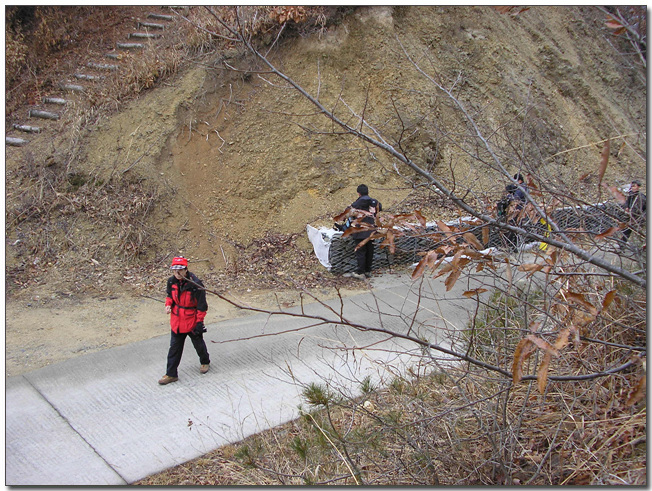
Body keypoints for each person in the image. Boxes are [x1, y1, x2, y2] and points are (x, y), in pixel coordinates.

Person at [158, 256, 210, 385]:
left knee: (199, 345)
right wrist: (168, 304)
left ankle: (205, 361)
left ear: (186, 269)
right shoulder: (171, 282)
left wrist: (199, 323)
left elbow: (202, 306)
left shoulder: (196, 284)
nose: (177, 273)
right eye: (175, 270)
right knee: (174, 349)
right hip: (177, 322)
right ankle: (171, 374)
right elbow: (169, 295)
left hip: (191, 321)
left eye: (180, 270)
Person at [347, 184, 382, 279]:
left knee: (361, 252)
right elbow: (379, 210)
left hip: (360, 231)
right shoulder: (374, 202)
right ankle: (368, 271)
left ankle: (360, 272)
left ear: (359, 193)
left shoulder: (357, 203)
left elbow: (348, 213)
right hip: (371, 231)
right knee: (370, 252)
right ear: (367, 192)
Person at [621, 180, 646, 248]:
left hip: (638, 219)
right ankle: (622, 246)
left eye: (634, 186)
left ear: (638, 187)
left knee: (638, 234)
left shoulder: (642, 198)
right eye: (631, 186)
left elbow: (640, 209)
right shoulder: (631, 195)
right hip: (630, 217)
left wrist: (636, 217)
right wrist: (626, 207)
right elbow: (627, 203)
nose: (632, 187)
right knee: (626, 232)